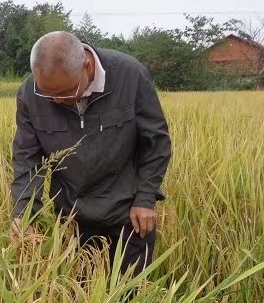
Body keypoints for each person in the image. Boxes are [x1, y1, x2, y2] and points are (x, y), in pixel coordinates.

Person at [10, 31, 172, 276]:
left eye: (64, 93)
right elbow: (27, 156)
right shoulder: (30, 94)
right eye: (47, 94)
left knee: (131, 300)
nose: (55, 101)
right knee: (78, 300)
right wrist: (24, 212)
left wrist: (145, 199)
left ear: (86, 66)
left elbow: (156, 141)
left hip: (129, 216)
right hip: (71, 218)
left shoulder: (129, 75)